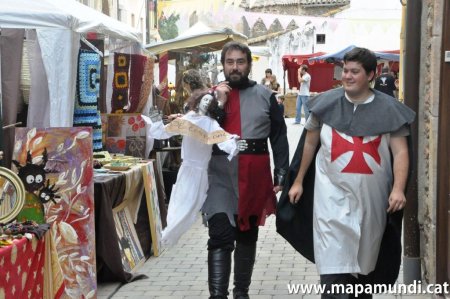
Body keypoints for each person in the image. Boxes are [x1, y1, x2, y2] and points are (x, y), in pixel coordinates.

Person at [277, 47, 415, 298]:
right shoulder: (325, 105)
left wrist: (398, 188)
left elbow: (401, 152)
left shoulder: (390, 110)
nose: (347, 76)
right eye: (345, 71)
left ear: (371, 75)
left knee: (364, 271)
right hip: (330, 199)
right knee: (334, 270)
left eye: (355, 72)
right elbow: (309, 143)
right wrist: (297, 181)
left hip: (371, 202)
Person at [202, 41, 289, 299]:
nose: (235, 67)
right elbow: (202, 129)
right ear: (223, 65)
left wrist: (281, 171)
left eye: (240, 62)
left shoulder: (266, 96)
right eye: (230, 62)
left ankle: (241, 293)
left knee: (246, 235)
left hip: (254, 175)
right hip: (220, 174)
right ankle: (218, 296)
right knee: (219, 235)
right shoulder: (211, 97)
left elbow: (279, 135)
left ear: (249, 65)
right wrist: (219, 102)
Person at [148, 90, 245, 246]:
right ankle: (166, 234)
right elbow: (162, 133)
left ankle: (167, 235)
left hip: (201, 172)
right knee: (178, 203)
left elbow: (223, 139)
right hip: (186, 168)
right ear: (197, 101)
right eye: (204, 99)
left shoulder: (211, 123)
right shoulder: (187, 119)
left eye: (209, 100)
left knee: (190, 207)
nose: (206, 102)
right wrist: (156, 121)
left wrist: (235, 144)